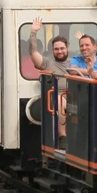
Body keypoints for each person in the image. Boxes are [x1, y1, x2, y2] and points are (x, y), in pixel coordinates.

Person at [29, 17, 71, 148]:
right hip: (56, 97)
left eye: (62, 48)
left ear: (67, 48)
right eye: (56, 49)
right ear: (52, 50)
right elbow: (34, 54)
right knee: (60, 101)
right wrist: (33, 33)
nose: (60, 51)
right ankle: (63, 137)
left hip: (74, 95)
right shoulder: (47, 62)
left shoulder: (74, 62)